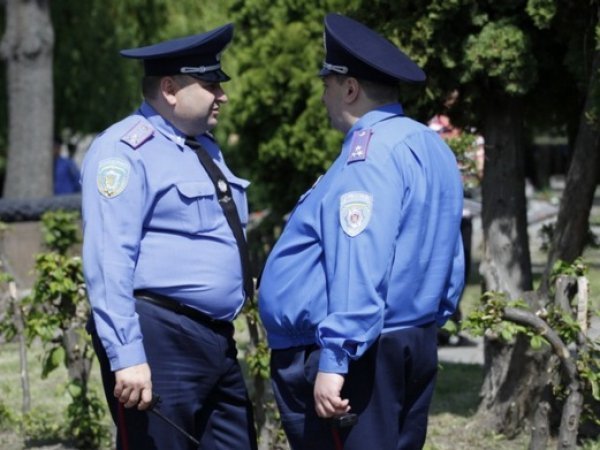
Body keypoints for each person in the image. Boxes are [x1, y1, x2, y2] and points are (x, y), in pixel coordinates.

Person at [258, 13, 465, 450]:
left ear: (350, 88)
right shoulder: (432, 145)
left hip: (364, 351)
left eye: (327, 85)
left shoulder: (368, 154)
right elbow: (450, 250)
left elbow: (360, 259)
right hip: (413, 335)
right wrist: (431, 320)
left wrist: (336, 358)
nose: (323, 97)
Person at [81, 23, 257, 450]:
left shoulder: (203, 146)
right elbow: (109, 260)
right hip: (159, 339)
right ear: (170, 89)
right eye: (211, 85)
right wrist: (127, 356)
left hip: (214, 339)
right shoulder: (122, 151)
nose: (222, 95)